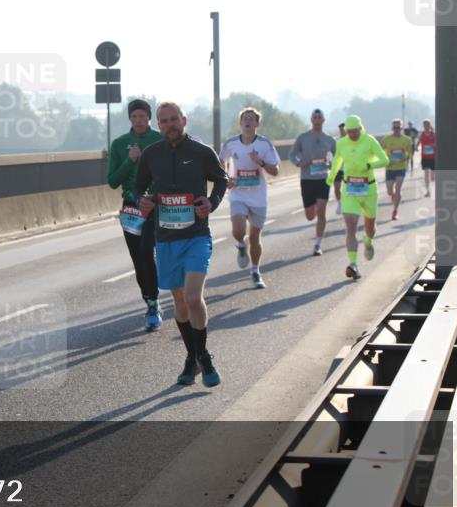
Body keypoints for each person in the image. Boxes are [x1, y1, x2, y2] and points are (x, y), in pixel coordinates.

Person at [134, 102, 228, 387]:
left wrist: (211, 203)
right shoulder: (151, 155)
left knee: (192, 297)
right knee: (179, 301)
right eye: (164, 121)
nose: (170, 125)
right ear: (158, 125)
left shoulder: (201, 152)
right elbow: (139, 187)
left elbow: (221, 179)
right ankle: (192, 357)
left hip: (197, 236)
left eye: (174, 119)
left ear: (183, 120)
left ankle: (205, 358)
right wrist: (143, 200)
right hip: (166, 239)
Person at [107, 99, 163, 331]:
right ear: (130, 119)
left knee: (147, 252)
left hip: (155, 205)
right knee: (138, 258)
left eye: (142, 116)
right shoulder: (120, 144)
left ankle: (154, 300)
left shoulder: (159, 139)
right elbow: (112, 181)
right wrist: (130, 161)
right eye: (134, 117)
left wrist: (156, 196)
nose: (138, 120)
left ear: (149, 118)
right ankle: (150, 301)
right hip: (131, 207)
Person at [219, 107, 280, 288]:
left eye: (251, 119)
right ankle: (240, 244)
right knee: (239, 230)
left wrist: (259, 161)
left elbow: (275, 171)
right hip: (238, 194)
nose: (248, 121)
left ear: (257, 123)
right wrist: (226, 178)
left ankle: (255, 271)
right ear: (240, 123)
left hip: (258, 196)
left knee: (255, 236)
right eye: (245, 118)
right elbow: (220, 161)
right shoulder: (231, 143)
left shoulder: (264, 144)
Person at [325, 114, 388, 280]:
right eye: (349, 132)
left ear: (360, 128)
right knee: (350, 225)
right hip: (350, 189)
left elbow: (385, 160)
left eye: (355, 131)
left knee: (370, 226)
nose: (352, 134)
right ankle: (353, 264)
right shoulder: (341, 143)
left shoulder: (370, 141)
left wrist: (368, 165)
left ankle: (368, 241)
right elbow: (338, 160)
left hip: (368, 189)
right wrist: (331, 177)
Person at [290, 109, 337, 255]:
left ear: (323, 120)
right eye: (314, 117)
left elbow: (336, 156)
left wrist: (331, 164)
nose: (317, 119)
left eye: (319, 117)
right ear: (311, 120)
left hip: (323, 178)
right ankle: (314, 207)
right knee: (310, 216)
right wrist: (300, 163)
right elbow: (292, 154)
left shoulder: (330, 140)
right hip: (307, 179)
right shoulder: (303, 137)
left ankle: (317, 243)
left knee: (322, 211)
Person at [380, 118, 412, 221]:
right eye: (394, 127)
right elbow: (380, 151)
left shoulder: (407, 140)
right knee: (390, 191)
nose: (396, 129)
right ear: (392, 128)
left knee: (398, 189)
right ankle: (395, 198)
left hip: (400, 168)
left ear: (401, 128)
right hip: (389, 168)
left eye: (398, 127)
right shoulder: (386, 139)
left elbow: (409, 153)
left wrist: (405, 157)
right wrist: (386, 157)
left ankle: (395, 211)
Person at [419, 119, 436, 197]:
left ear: (429, 125)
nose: (426, 126)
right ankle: (428, 191)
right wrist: (416, 147)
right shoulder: (422, 134)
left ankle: (435, 187)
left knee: (432, 177)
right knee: (426, 174)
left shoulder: (433, 134)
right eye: (424, 125)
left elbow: (438, 142)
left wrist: (433, 145)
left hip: (433, 157)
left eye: (427, 125)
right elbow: (419, 142)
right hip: (425, 157)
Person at [333, 122, 347, 214]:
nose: (342, 131)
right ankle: (340, 203)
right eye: (341, 130)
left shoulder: (352, 140)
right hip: (338, 168)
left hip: (350, 168)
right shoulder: (335, 141)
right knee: (337, 188)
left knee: (349, 189)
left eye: (344, 129)